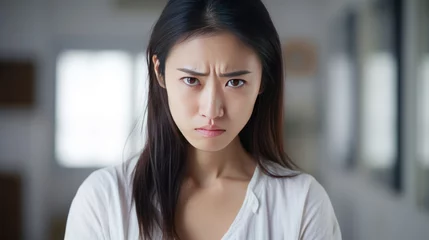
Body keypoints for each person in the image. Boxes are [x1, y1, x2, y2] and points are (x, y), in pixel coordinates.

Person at [64, 0, 342, 239]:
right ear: (159, 72)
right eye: (191, 80)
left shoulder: (303, 204)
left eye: (234, 82)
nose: (212, 110)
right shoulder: (103, 200)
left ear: (262, 80)